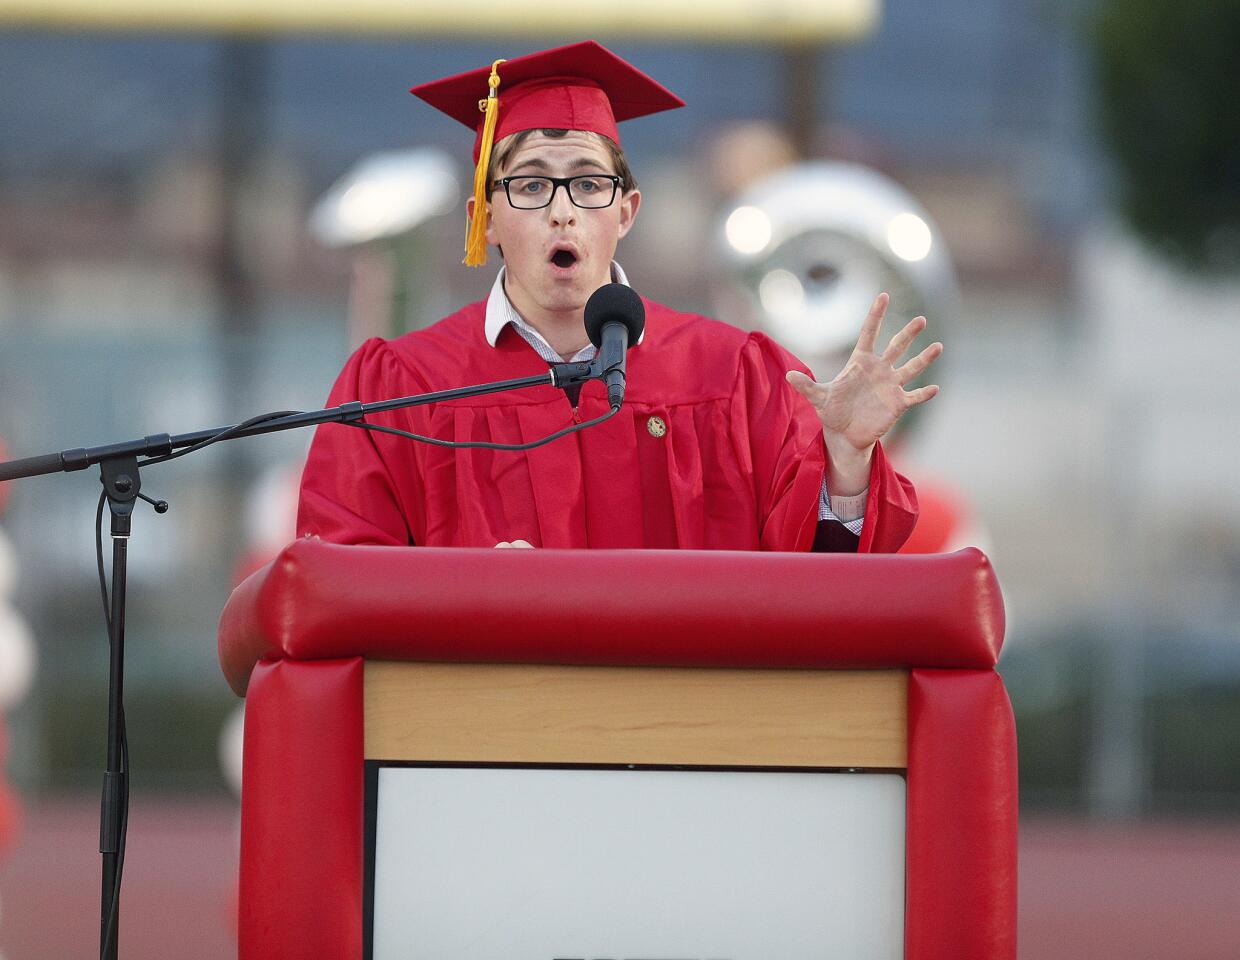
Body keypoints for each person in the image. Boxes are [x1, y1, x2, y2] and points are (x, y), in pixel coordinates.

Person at [297, 41, 942, 553]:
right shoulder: (400, 391)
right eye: (529, 186)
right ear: (483, 218)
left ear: (627, 212)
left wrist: (846, 463)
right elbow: (340, 589)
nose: (561, 212)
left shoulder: (737, 377)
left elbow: (824, 589)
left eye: (588, 184)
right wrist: (464, 596)